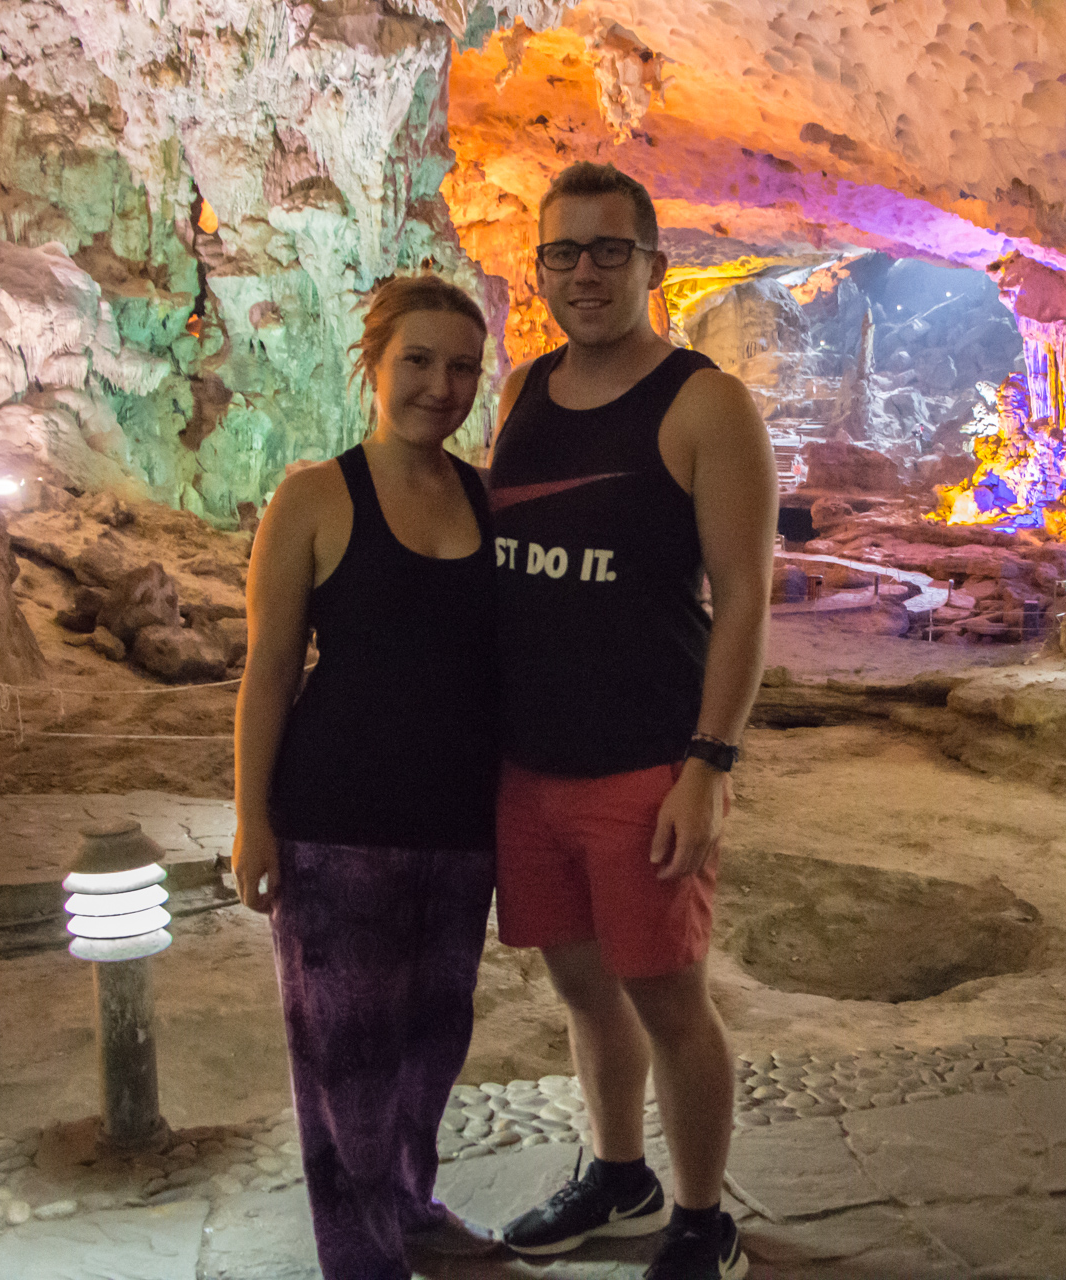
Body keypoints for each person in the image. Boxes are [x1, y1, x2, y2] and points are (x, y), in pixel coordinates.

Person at [489, 162, 775, 1280]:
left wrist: (709, 762)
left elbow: (744, 593)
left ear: (655, 265)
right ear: (544, 269)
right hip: (530, 761)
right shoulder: (522, 392)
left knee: (669, 997)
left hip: (643, 764)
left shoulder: (704, 403)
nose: (586, 272)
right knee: (578, 985)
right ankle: (619, 1174)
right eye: (564, 252)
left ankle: (704, 1218)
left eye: (611, 250)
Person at [231, 275, 502, 1280]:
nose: (442, 384)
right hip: (334, 826)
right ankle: (362, 1257)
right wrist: (251, 820)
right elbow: (268, 673)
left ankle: (410, 1204)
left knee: (433, 1049)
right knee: (346, 1067)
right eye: (419, 361)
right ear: (374, 364)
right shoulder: (315, 495)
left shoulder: (485, 498)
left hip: (457, 829)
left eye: (463, 365)